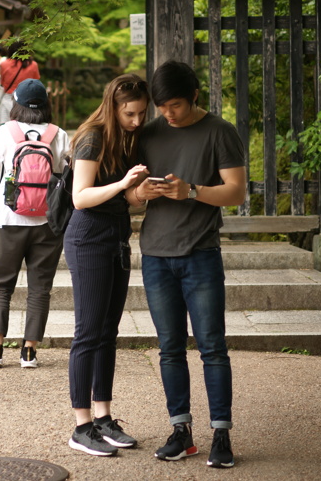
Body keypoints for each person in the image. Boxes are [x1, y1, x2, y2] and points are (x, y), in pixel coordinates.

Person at [131, 60, 246, 469]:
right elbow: (129, 196)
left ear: (195, 95)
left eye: (175, 105)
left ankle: (221, 434)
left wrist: (192, 191)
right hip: (156, 256)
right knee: (169, 348)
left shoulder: (220, 131)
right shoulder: (148, 133)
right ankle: (181, 431)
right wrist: (140, 193)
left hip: (200, 254)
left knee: (212, 347)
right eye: (162, 107)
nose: (168, 114)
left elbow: (235, 193)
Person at [64, 74, 150, 457]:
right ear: (114, 106)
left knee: (108, 332)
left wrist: (142, 192)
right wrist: (121, 186)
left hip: (116, 238)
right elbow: (80, 197)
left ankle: (103, 418)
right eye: (130, 113)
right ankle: (81, 426)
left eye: (141, 113)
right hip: (88, 239)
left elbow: (129, 199)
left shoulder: (126, 138)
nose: (136, 120)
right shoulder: (93, 135)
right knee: (88, 333)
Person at [0, 78, 69, 369]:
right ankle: (29, 352)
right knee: (40, 286)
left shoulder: (4, 133)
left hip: (9, 218)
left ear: (15, 103)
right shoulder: (59, 134)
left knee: (1, 284)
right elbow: (64, 173)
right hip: (47, 221)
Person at [0, 40, 40, 129]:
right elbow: (36, 85)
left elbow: (3, 84)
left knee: (6, 129)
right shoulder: (33, 65)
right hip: (27, 102)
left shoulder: (4, 65)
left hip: (8, 101)